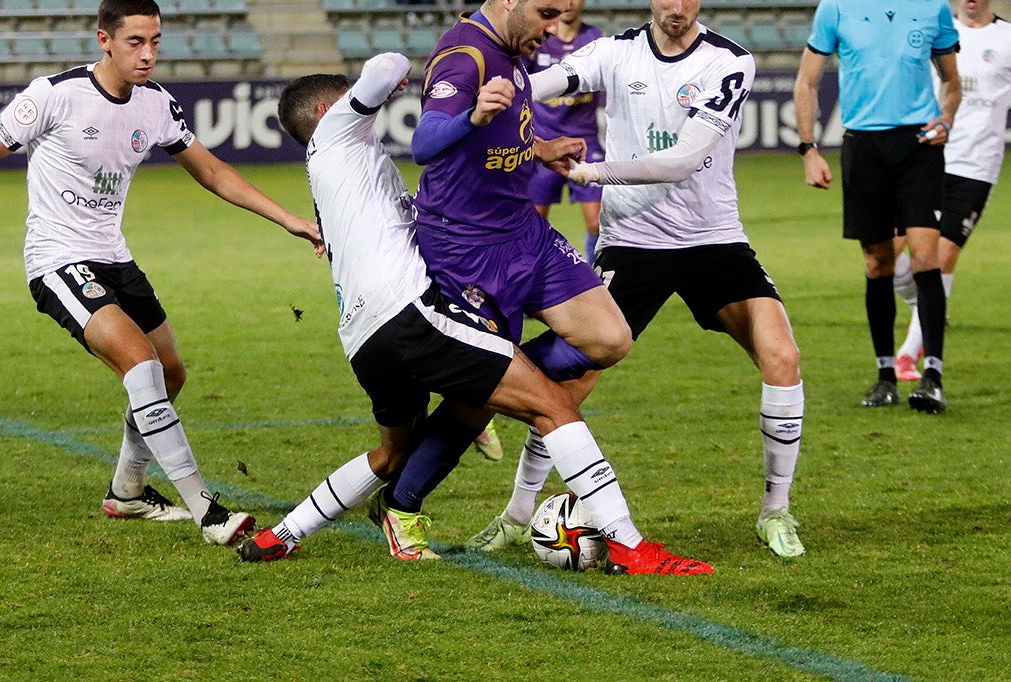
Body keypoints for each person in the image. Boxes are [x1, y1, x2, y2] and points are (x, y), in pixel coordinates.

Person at [234, 53, 711, 576]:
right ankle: (627, 544)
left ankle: (279, 536)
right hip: (409, 316)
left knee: (392, 455)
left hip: (363, 340)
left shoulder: (340, 170)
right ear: (330, 108)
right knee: (553, 405)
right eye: (348, 97)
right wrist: (429, 69)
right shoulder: (338, 133)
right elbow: (387, 65)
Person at [0, 0, 321, 545]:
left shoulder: (155, 103)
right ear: (104, 41)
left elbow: (211, 171)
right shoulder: (54, 96)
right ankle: (207, 511)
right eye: (135, 41)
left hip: (116, 258)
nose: (148, 54)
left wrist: (288, 220)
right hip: (58, 261)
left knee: (171, 371)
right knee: (140, 362)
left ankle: (127, 492)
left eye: (156, 41)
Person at [474, 0, 810, 559]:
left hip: (714, 239)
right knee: (569, 387)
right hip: (633, 243)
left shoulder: (730, 62)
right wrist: (492, 89)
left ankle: (776, 511)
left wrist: (591, 173)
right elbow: (547, 80)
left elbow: (683, 161)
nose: (677, 6)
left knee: (782, 357)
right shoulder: (615, 53)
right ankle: (518, 516)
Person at [368, 0, 634, 542]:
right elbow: (425, 145)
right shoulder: (464, 56)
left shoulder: (514, 47)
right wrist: (472, 119)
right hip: (464, 250)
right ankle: (403, 504)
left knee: (610, 337)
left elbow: (503, 137)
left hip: (524, 233)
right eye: (545, 13)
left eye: (561, 14)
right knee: (480, 399)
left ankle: (492, 378)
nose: (554, 25)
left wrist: (539, 148)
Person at [791, 0, 962, 413]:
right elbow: (806, 81)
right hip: (863, 145)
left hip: (918, 145)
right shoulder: (837, 5)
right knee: (875, 262)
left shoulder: (932, 7)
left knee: (926, 256)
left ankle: (932, 376)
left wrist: (946, 118)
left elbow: (952, 82)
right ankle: (885, 375)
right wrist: (808, 149)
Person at [891, 0, 1011, 380]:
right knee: (892, 261)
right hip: (927, 156)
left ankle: (910, 354)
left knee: (941, 258)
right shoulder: (934, 33)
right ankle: (925, 307)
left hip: (976, 167)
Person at [527, 0, 604, 262]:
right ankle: (532, 284)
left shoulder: (596, 39)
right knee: (534, 223)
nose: (570, 2)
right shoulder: (540, 38)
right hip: (543, 144)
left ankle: (598, 280)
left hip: (585, 144)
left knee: (597, 222)